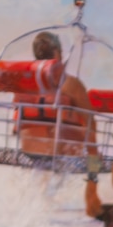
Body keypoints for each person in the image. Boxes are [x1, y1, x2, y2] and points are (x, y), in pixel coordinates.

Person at [17, 30, 97, 158]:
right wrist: (94, 163)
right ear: (57, 53)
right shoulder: (71, 84)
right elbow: (90, 124)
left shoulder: (24, 85)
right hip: (62, 157)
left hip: (30, 153)